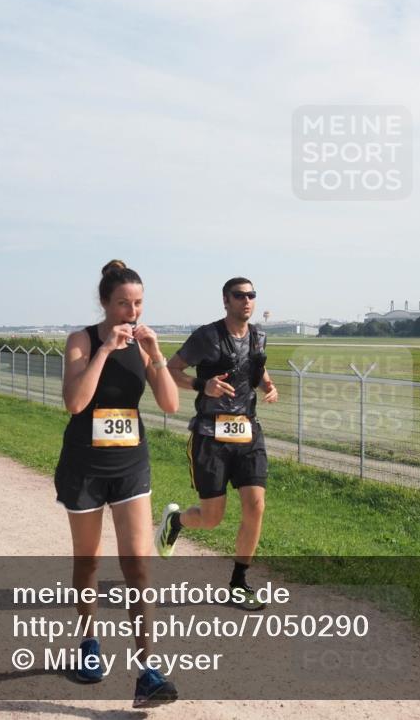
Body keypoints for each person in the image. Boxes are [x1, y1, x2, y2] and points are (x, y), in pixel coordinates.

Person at [55, 260, 180, 706]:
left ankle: (147, 671)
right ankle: (88, 642)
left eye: (139, 303)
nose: (132, 311)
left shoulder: (145, 346)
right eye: (124, 303)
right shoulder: (81, 341)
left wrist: (157, 354)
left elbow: (169, 404)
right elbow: (75, 402)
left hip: (130, 466)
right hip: (84, 467)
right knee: (87, 563)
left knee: (137, 566)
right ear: (105, 303)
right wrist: (105, 349)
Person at [156, 277, 278, 611]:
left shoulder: (258, 337)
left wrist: (269, 386)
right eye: (240, 296)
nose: (247, 301)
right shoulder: (207, 336)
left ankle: (239, 583)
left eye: (252, 295)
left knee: (255, 505)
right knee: (212, 518)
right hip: (210, 436)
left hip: (248, 432)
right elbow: (171, 369)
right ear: (225, 300)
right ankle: (176, 521)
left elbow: (256, 369)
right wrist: (201, 384)